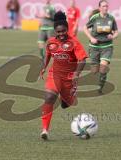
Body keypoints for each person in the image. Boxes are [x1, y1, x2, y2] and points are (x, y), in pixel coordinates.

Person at [39, 11, 88, 140]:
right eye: (58, 32)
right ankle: (45, 130)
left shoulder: (74, 42)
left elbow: (82, 59)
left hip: (69, 78)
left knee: (66, 104)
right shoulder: (50, 42)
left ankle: (65, 98)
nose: (61, 34)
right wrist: (44, 67)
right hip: (54, 75)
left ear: (67, 29)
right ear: (55, 31)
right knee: (49, 97)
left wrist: (76, 75)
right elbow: (47, 55)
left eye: (63, 31)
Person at [83, 0, 118, 93]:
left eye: (106, 6)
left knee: (103, 68)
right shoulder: (95, 17)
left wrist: (113, 36)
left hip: (107, 46)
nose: (105, 8)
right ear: (99, 8)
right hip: (94, 47)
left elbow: (116, 31)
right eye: (103, 6)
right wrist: (91, 38)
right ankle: (97, 75)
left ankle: (100, 87)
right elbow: (85, 28)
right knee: (94, 71)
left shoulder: (111, 18)